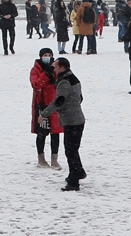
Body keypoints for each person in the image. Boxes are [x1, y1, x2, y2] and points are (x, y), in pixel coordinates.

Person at [37, 57, 85, 191]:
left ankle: (74, 182)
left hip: (72, 121)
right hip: (77, 119)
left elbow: (59, 100)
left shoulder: (64, 82)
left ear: (62, 68)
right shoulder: (73, 78)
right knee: (73, 150)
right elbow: (80, 97)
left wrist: (44, 114)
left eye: (55, 66)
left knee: (71, 151)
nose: (53, 68)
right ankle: (78, 172)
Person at [30, 48, 64, 167]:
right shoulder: (36, 70)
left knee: (56, 132)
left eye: (49, 55)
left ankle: (54, 158)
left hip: (55, 105)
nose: (47, 57)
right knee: (42, 133)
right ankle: (41, 158)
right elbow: (36, 85)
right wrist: (45, 74)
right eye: (45, 55)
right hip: (42, 105)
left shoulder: (57, 69)